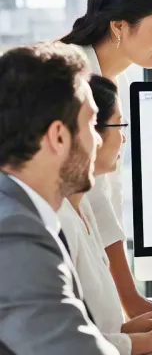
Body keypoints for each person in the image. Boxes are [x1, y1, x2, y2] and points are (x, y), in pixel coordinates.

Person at [60, 0, 152, 319]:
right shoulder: (74, 80)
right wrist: (129, 301)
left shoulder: (116, 78)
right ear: (119, 26)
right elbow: (92, 196)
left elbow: (109, 193)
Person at [57, 75, 152, 354]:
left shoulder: (83, 206)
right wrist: (151, 341)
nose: (123, 138)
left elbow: (89, 324)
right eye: (119, 125)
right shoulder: (53, 222)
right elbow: (61, 343)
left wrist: (125, 331)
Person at [0, 43, 118, 353]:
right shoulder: (14, 232)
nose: (98, 140)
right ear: (58, 136)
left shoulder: (19, 212)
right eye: (92, 125)